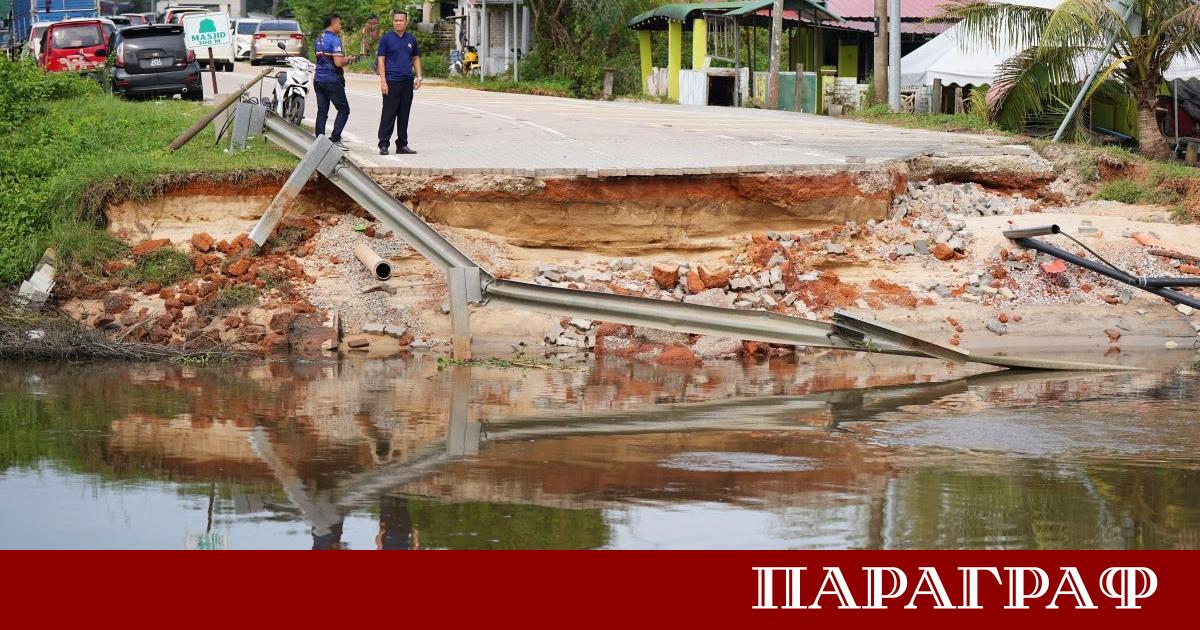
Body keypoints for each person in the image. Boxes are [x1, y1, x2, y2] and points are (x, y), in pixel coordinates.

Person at [376, 11, 422, 156]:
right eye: (396, 20)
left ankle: (402, 145)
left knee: (404, 114)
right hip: (392, 81)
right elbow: (381, 60)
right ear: (393, 22)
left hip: (407, 81)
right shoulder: (386, 39)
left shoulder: (411, 39)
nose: (398, 23)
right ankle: (384, 144)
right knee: (388, 114)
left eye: (401, 20)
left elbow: (415, 58)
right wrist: (383, 82)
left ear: (406, 22)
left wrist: (419, 76)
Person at [313, 14, 354, 149]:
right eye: (339, 24)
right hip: (332, 80)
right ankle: (335, 139)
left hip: (318, 79)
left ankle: (319, 140)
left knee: (322, 111)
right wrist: (348, 59)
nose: (340, 26)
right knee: (344, 109)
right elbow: (338, 62)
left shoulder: (318, 39)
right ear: (333, 24)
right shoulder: (335, 40)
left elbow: (320, 60)